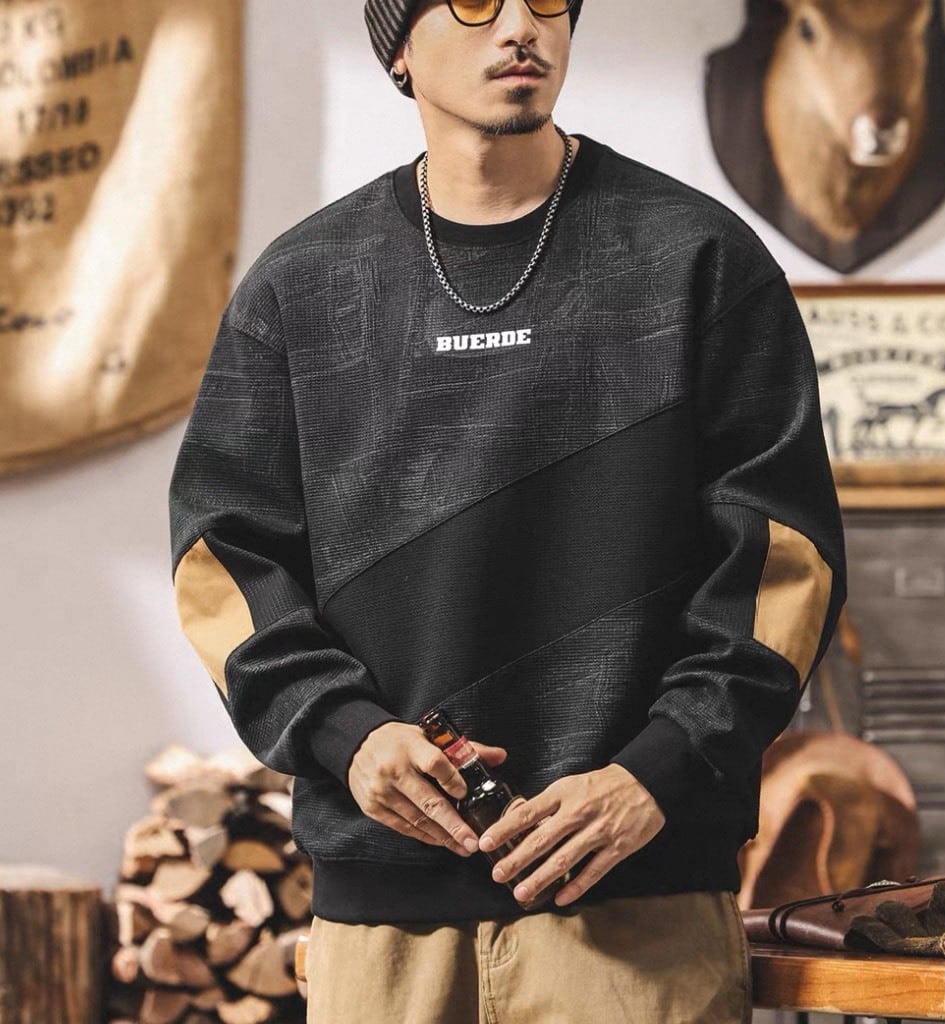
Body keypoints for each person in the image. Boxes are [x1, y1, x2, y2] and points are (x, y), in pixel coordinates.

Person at [169, 1, 847, 1021]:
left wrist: (656, 772)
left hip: (637, 907)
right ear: (399, 45)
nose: (522, 26)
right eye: (477, 3)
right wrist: (348, 735)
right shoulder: (300, 287)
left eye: (548, 2)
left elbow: (784, 559)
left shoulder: (698, 258)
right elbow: (221, 555)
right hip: (383, 921)